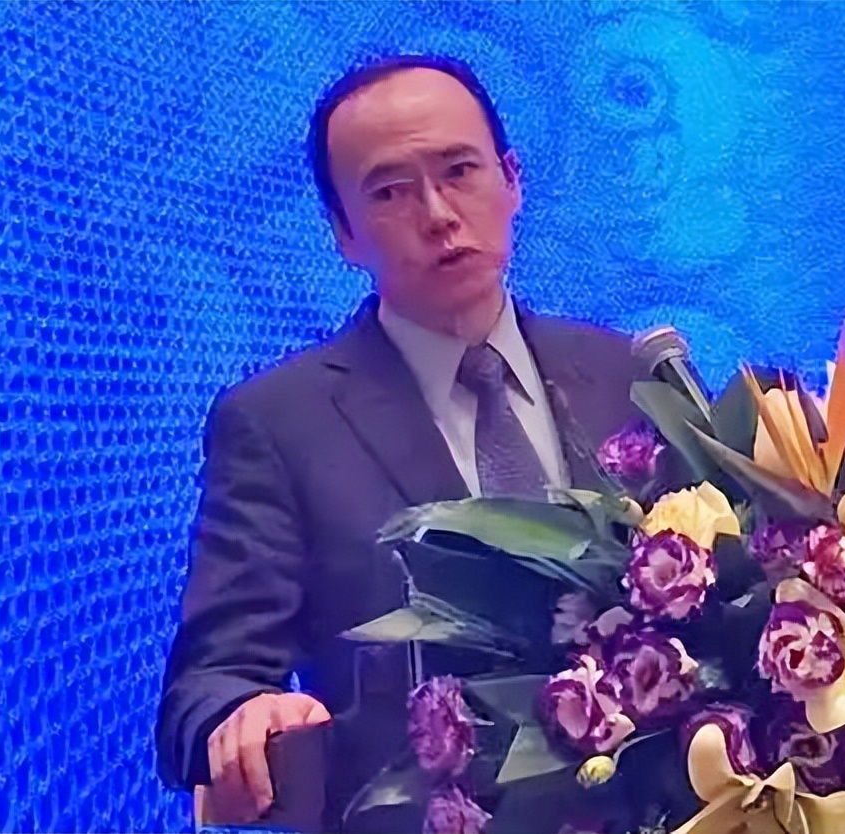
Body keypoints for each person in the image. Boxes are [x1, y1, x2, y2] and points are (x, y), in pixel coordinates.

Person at [155, 54, 648, 831]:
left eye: (460, 171)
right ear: (343, 233)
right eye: (389, 192)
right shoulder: (278, 422)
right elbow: (208, 683)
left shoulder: (631, 374)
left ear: (512, 180)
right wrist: (241, 719)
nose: (439, 214)